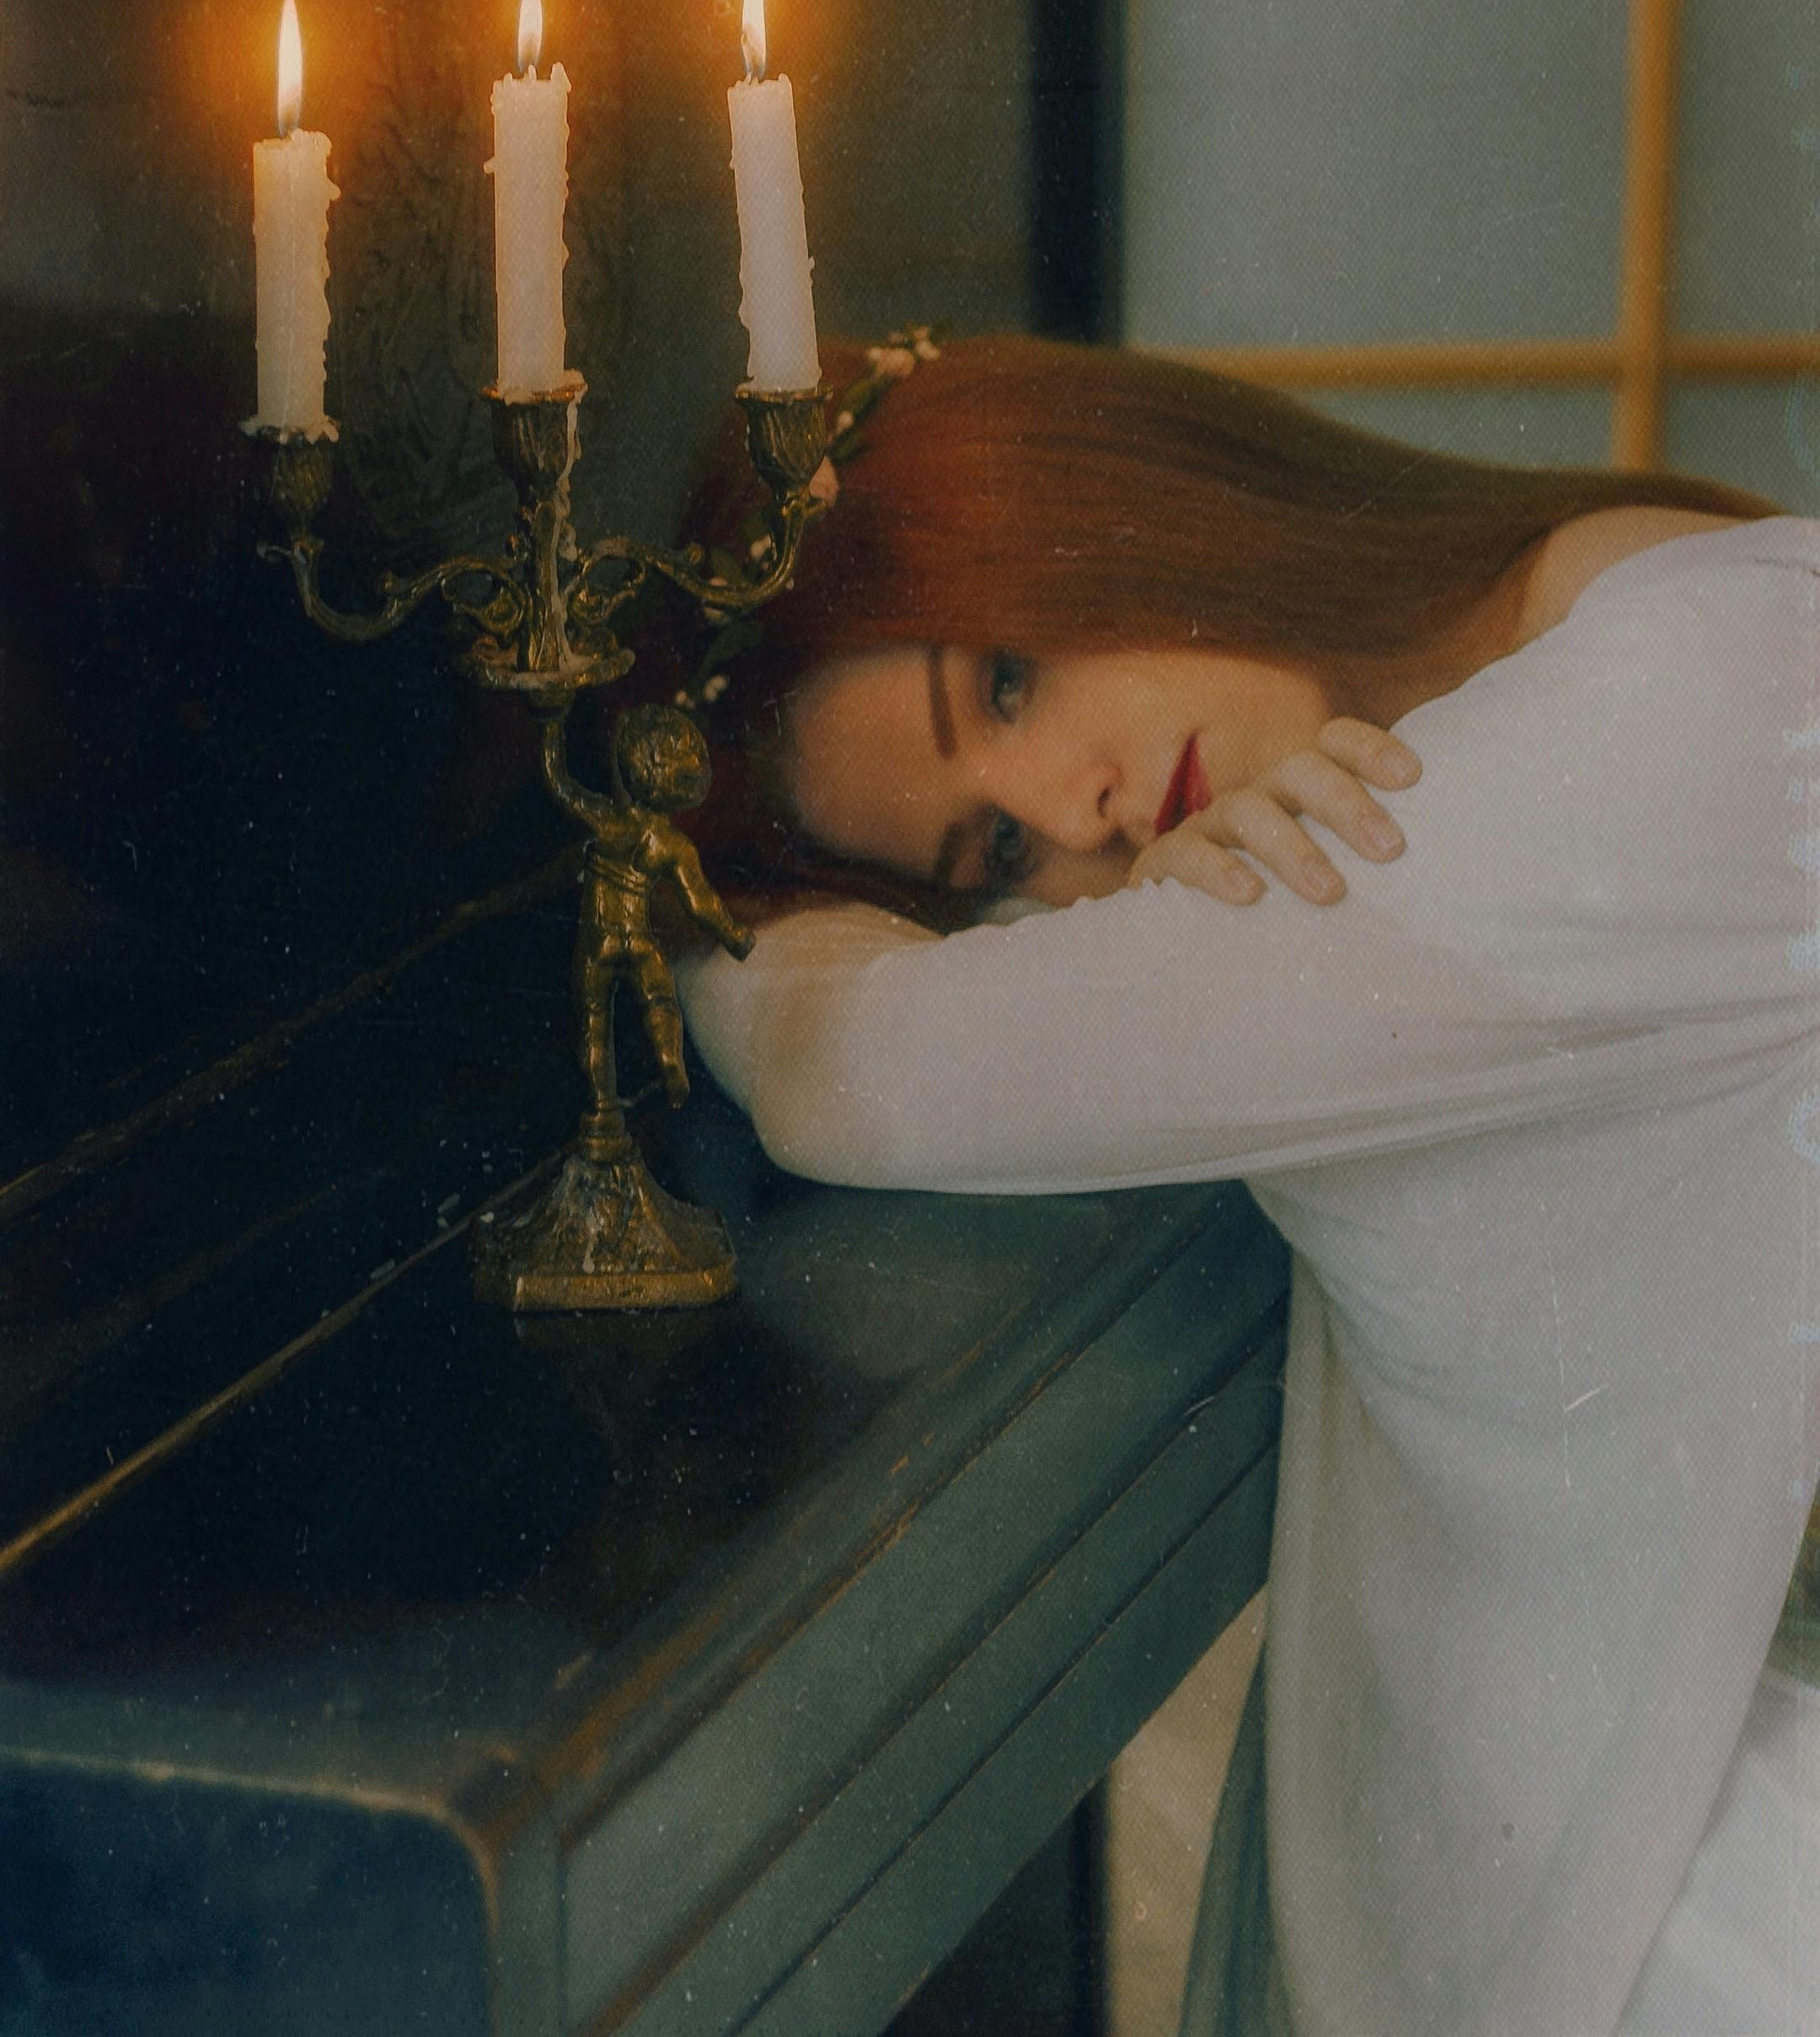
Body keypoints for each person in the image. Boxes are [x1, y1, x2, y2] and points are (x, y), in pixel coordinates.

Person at [674, 333, 1818, 2037]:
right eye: (994, 861)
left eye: (1003, 680)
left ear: (1111, 493)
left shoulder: (1679, 692)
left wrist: (713, 927)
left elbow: (859, 1073)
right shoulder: (1562, 638)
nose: (1082, 818)